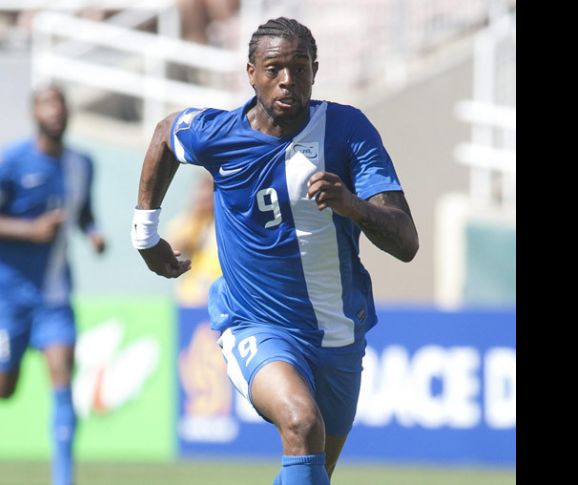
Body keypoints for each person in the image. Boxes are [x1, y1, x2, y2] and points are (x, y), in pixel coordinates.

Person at [131, 17, 419, 485]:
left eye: (299, 69)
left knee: (312, 470)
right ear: (251, 73)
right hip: (255, 324)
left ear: (315, 70)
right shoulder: (219, 135)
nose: (288, 81)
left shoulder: (347, 131)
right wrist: (145, 234)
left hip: (339, 333)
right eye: (274, 69)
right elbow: (167, 133)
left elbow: (406, 242)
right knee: (302, 425)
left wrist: (354, 207)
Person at [0, 83, 106, 485]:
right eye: (48, 104)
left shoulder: (83, 164)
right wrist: (30, 230)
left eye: (61, 104)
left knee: (63, 376)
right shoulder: (11, 161)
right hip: (7, 293)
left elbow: (82, 211)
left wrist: (93, 231)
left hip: (54, 294)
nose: (56, 111)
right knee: (2, 387)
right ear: (34, 113)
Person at [166, 173, 221, 307]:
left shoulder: (226, 224)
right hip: (193, 297)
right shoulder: (187, 221)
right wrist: (196, 218)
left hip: (221, 297)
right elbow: (173, 248)